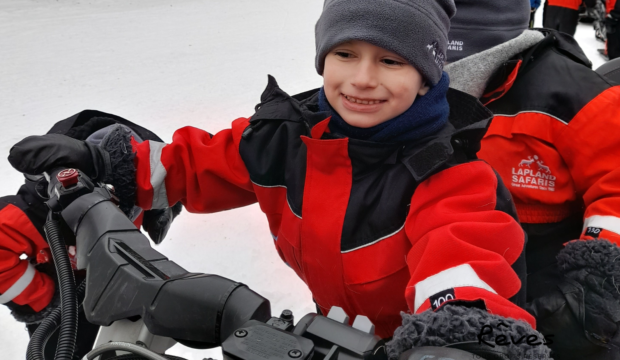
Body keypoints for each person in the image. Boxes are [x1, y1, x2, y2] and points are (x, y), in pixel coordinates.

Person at [7, 1, 550, 358]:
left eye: (390, 61)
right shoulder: (286, 137)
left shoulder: (450, 176)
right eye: (345, 53)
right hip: (327, 335)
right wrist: (105, 161)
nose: (361, 79)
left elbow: (465, 265)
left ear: (428, 71)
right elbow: (195, 166)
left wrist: (463, 338)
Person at [445, 0, 620, 358]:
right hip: (445, 282)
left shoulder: (579, 101)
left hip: (554, 284)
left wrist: (590, 289)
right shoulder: (395, 88)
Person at [1, 110, 182, 360]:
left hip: (116, 296)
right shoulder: (36, 213)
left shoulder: (136, 199)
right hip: (60, 311)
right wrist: (43, 298)